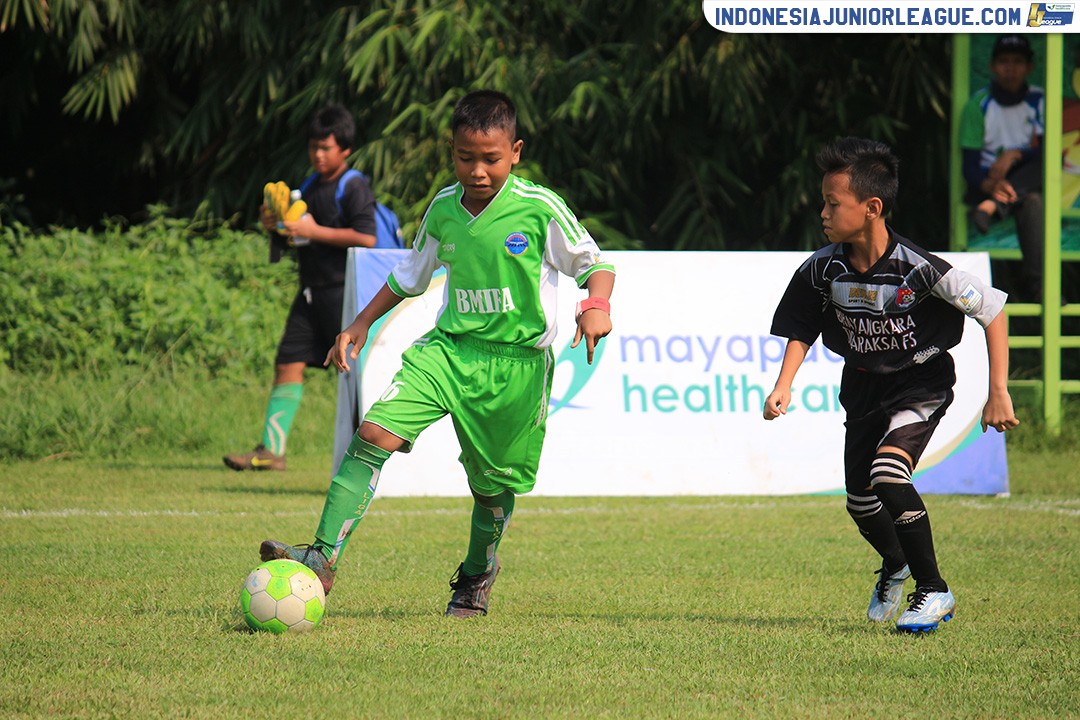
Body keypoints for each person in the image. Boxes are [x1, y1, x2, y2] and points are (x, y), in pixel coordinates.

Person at [258, 90, 616, 618]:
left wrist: (598, 305)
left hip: (516, 367)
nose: (477, 170)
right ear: (452, 151)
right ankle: (321, 557)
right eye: (466, 157)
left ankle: (476, 575)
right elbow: (408, 276)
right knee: (373, 433)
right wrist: (359, 323)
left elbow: (593, 263)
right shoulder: (445, 209)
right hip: (447, 352)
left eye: (490, 159)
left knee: (492, 488)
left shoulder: (539, 209)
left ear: (514, 151)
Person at [763, 137, 1019, 632]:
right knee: (860, 501)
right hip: (862, 387)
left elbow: (993, 310)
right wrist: (784, 384)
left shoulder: (919, 267)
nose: (823, 212)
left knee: (888, 475)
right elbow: (802, 326)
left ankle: (934, 590)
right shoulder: (822, 268)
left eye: (832, 203)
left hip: (919, 383)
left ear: (872, 207)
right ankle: (895, 564)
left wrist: (999, 391)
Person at [224, 104, 377, 471]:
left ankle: (371, 454)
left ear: (345, 149)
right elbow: (297, 237)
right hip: (310, 293)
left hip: (345, 294)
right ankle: (271, 451)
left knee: (358, 378)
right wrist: (275, 225)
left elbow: (367, 238)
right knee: (287, 363)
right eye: (313, 147)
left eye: (326, 148)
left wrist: (313, 231)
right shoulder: (308, 185)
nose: (318, 155)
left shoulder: (353, 185)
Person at [959, 34, 1046, 302]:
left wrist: (1014, 154)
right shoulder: (978, 105)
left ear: (1029, 67)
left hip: (1024, 179)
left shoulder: (1040, 100)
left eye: (1018, 61)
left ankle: (994, 207)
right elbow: (970, 166)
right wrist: (991, 186)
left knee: (1044, 170)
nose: (1011, 68)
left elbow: (1046, 152)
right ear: (993, 66)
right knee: (1031, 200)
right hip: (986, 187)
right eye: (1004, 61)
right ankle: (1039, 288)